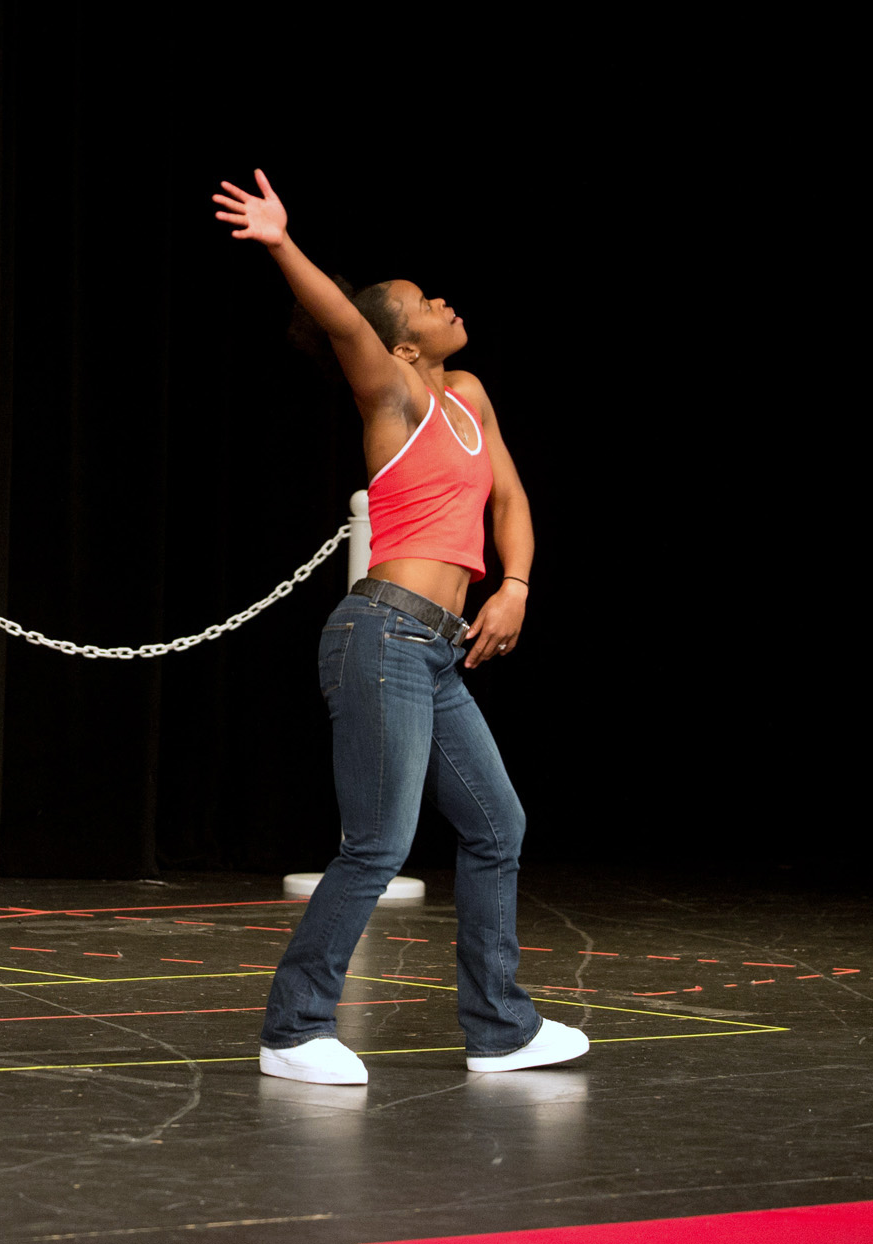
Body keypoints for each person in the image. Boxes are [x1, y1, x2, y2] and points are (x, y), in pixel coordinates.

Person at [212, 170, 587, 1081]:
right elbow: (343, 321)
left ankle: (500, 1028)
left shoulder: (469, 395)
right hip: (381, 636)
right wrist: (279, 241)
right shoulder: (396, 397)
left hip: (439, 650)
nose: (444, 303)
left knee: (498, 824)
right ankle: (294, 1028)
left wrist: (517, 587)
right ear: (399, 341)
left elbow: (511, 498)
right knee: (378, 842)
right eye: (424, 303)